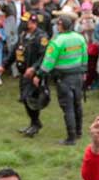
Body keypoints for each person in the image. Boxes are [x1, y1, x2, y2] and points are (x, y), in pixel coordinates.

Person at [38, 11, 89, 144]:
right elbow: (85, 56)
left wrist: (40, 74)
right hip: (78, 76)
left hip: (64, 78)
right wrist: (84, 70)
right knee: (77, 104)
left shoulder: (57, 41)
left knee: (68, 107)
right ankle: (78, 132)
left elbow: (49, 61)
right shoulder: (80, 38)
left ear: (61, 26)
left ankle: (71, 138)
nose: (56, 27)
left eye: (58, 25)